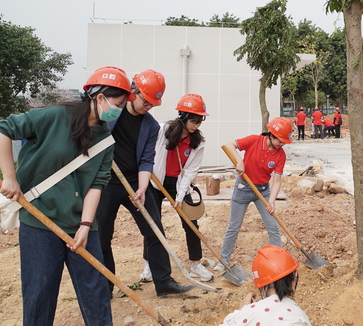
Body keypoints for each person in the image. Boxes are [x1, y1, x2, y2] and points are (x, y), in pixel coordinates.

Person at [0, 66, 134, 326]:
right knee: (40, 294)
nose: (120, 109)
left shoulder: (105, 140)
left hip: (81, 227)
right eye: (118, 103)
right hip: (40, 223)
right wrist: (10, 176)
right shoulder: (54, 117)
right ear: (100, 97)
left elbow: (97, 185)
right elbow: (3, 129)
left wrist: (85, 225)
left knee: (96, 293)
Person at [96, 69, 193, 297]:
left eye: (153, 104)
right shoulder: (112, 113)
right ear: (133, 91)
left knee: (154, 230)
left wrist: (142, 187)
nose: (148, 107)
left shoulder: (150, 126)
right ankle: (105, 285)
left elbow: (147, 159)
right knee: (102, 235)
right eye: (146, 101)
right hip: (106, 181)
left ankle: (164, 282)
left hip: (134, 180)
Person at [139, 93, 213, 283]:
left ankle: (196, 264)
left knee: (191, 223)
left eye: (200, 121)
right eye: (194, 120)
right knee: (153, 224)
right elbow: (148, 151)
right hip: (156, 182)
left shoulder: (198, 142)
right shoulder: (163, 130)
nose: (197, 125)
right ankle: (149, 264)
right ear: (183, 117)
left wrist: (180, 196)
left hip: (178, 183)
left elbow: (190, 172)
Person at [217, 117, 292, 269]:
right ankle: (223, 261)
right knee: (234, 226)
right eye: (280, 141)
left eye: (284, 141)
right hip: (243, 188)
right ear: (271, 135)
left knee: (273, 227)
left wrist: (271, 201)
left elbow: (276, 181)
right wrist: (239, 161)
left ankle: (279, 262)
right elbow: (229, 145)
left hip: (263, 191)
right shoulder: (254, 140)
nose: (282, 144)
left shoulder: (280, 155)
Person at [219, 245, 311, 325]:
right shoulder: (300, 315)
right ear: (294, 281)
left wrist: (239, 311)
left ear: (261, 286)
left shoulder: (249, 312)